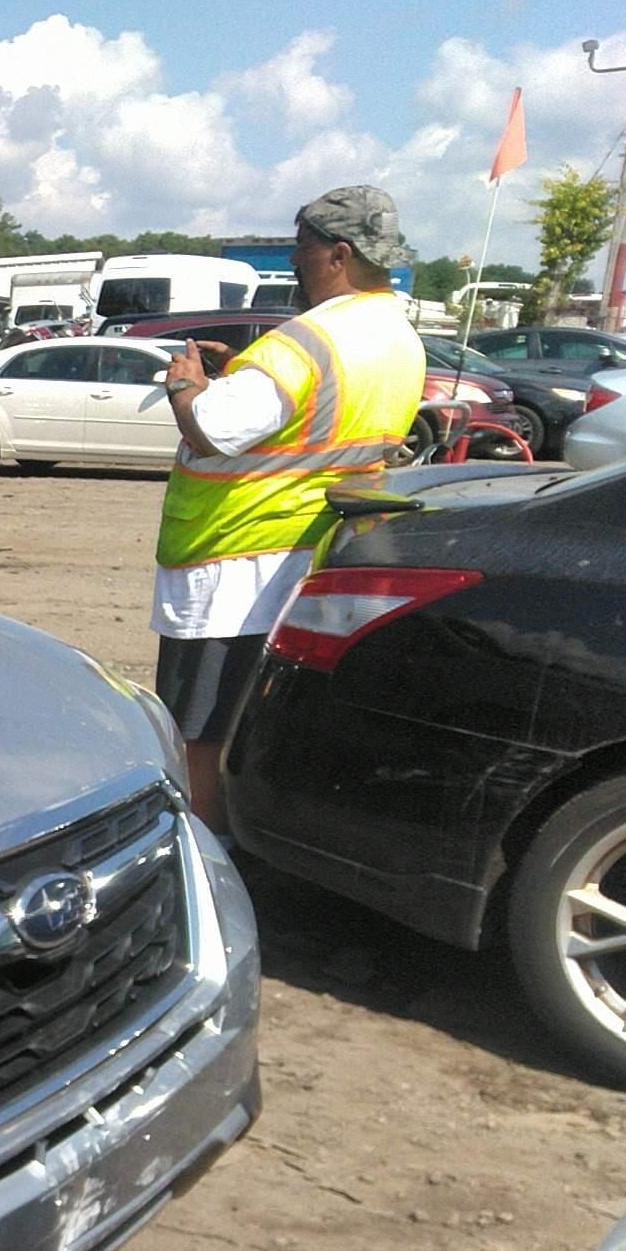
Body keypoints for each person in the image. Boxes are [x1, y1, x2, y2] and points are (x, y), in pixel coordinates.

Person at [149, 185, 424, 830]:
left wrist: (187, 385)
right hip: (315, 552)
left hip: (232, 561)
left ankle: (205, 860)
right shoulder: (398, 337)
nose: (295, 261)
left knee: (199, 735)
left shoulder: (306, 338)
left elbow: (211, 429)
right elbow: (313, 422)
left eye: (301, 248)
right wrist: (245, 371)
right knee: (252, 722)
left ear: (338, 252)